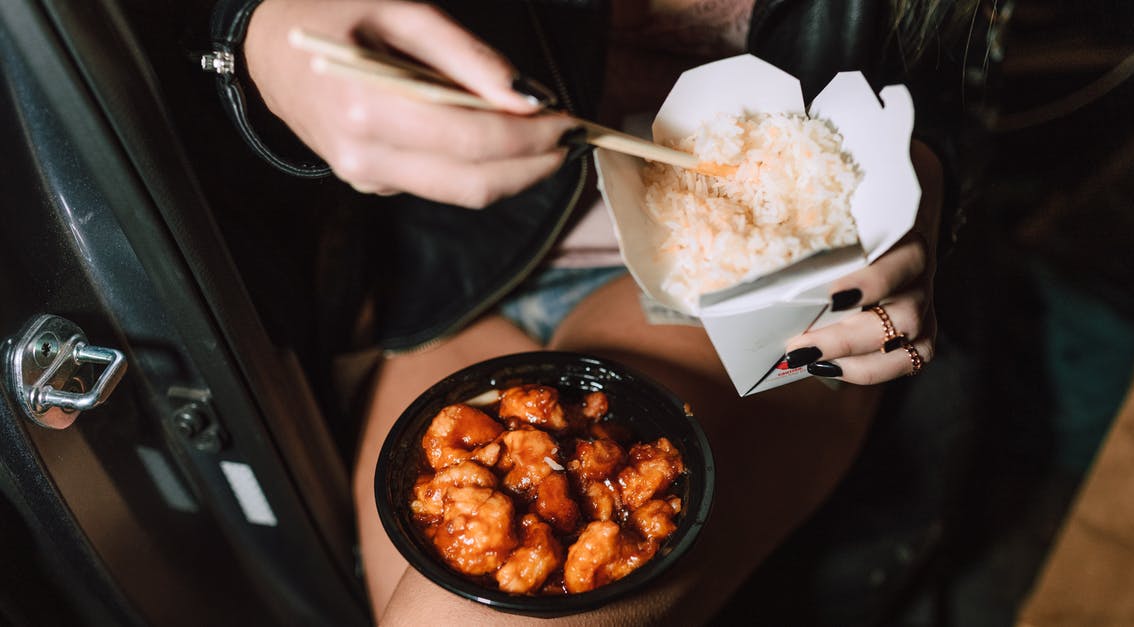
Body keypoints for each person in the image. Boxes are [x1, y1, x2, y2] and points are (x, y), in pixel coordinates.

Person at [214, 0, 969, 622]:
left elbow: (953, 62)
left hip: (740, 280)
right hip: (442, 267)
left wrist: (923, 169)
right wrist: (252, 33)